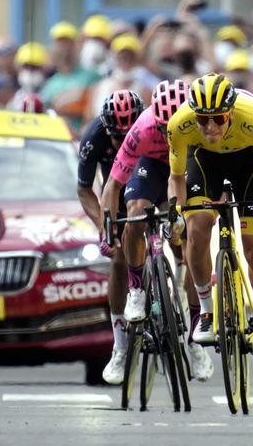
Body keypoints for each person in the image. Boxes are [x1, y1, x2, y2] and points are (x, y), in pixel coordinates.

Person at [167, 73, 253, 365]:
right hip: (205, 161)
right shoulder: (179, 124)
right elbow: (175, 178)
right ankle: (207, 311)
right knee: (197, 228)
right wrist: (178, 213)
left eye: (219, 119)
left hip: (247, 161)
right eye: (202, 119)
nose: (209, 127)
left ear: (231, 112)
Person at [100, 80, 214, 382]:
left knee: (194, 243)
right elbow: (112, 186)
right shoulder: (143, 129)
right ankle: (137, 289)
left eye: (174, 126)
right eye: (164, 127)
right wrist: (108, 226)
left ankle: (194, 340)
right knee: (136, 210)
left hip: (187, 164)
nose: (168, 133)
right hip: (151, 165)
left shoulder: (200, 124)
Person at [77, 89, 144, 384]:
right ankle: (119, 342)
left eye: (127, 136)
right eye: (116, 137)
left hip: (146, 183)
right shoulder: (94, 136)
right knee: (118, 258)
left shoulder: (151, 128)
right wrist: (103, 227)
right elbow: (84, 188)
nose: (122, 143)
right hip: (113, 191)